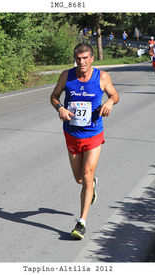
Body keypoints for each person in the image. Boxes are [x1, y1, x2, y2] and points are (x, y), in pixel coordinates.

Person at [50, 43, 119, 240]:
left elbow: (115, 95)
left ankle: (81, 223)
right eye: (78, 58)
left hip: (93, 133)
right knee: (79, 179)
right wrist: (60, 108)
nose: (81, 62)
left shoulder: (102, 77)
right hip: (72, 133)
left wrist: (109, 102)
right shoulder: (66, 76)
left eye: (85, 58)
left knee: (87, 175)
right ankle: (91, 185)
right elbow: (54, 97)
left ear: (91, 59)